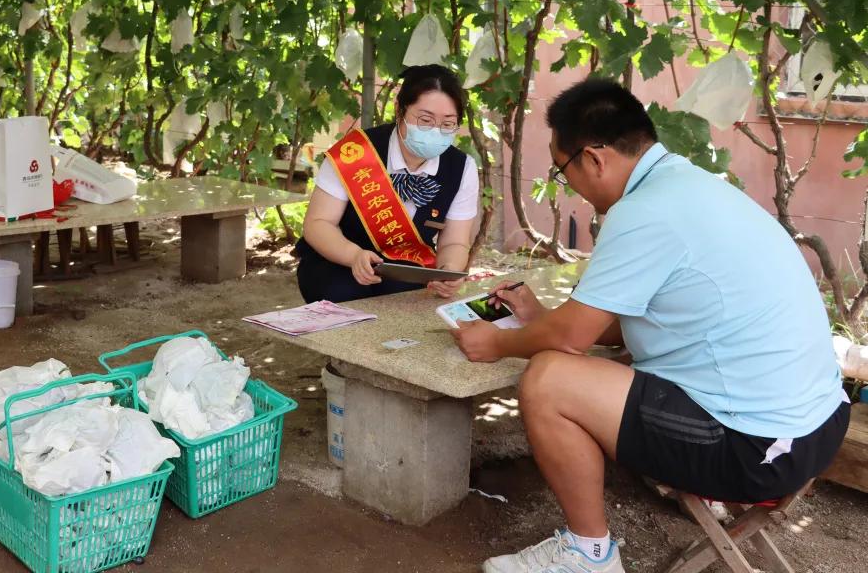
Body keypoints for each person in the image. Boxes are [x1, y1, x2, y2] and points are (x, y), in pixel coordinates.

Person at [450, 78, 850, 573]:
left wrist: (499, 341)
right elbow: (644, 319)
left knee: (549, 379)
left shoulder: (643, 212)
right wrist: (543, 320)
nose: (566, 183)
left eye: (561, 170)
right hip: (820, 425)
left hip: (757, 449)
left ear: (594, 158)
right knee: (603, 359)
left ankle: (588, 554)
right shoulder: (692, 187)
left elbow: (572, 339)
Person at [294, 64, 480, 303]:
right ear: (400, 110)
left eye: (447, 124)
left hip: (406, 267)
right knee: (343, 295)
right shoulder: (354, 152)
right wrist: (353, 256)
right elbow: (318, 224)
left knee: (412, 303)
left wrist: (448, 272)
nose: (435, 131)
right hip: (338, 258)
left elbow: (455, 240)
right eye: (425, 120)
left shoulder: (461, 168)